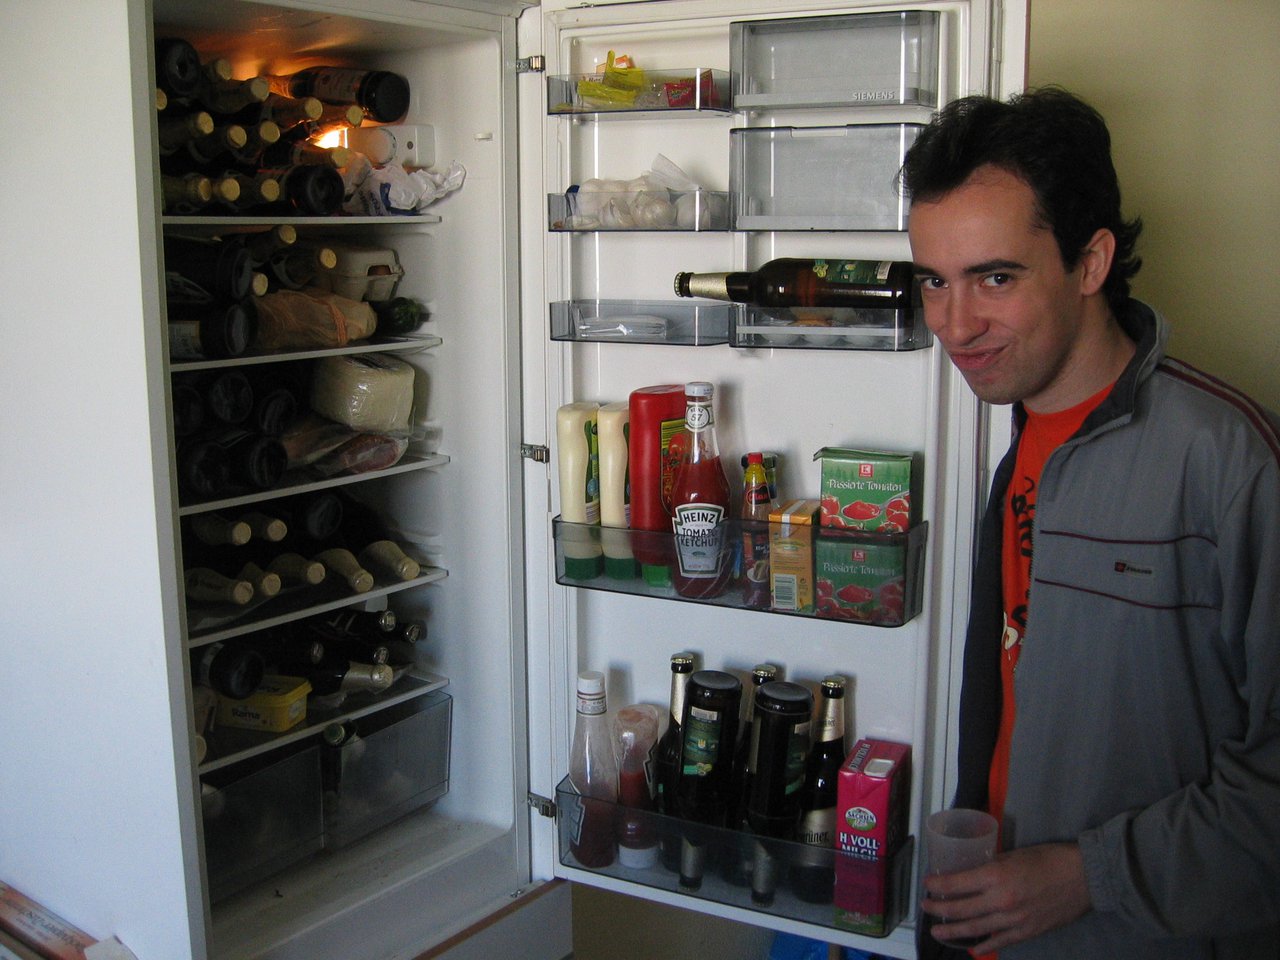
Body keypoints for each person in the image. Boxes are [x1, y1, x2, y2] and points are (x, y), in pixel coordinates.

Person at [900, 87, 1280, 959]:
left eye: (995, 277)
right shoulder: (1019, 448)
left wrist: (1087, 875)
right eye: (935, 282)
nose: (955, 327)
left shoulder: (1226, 463)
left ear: (1092, 260)